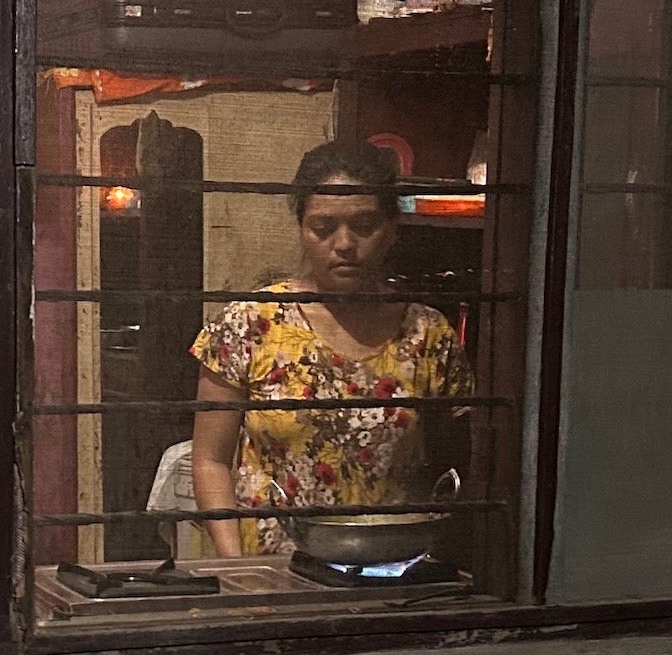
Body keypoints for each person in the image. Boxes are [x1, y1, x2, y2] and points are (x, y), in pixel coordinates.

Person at [189, 140, 472, 556]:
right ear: (302, 228)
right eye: (323, 228)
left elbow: (456, 460)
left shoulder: (427, 334)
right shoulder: (251, 323)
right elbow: (209, 461)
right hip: (273, 575)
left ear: (392, 229)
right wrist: (236, 567)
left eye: (364, 226)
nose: (344, 243)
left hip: (388, 568)